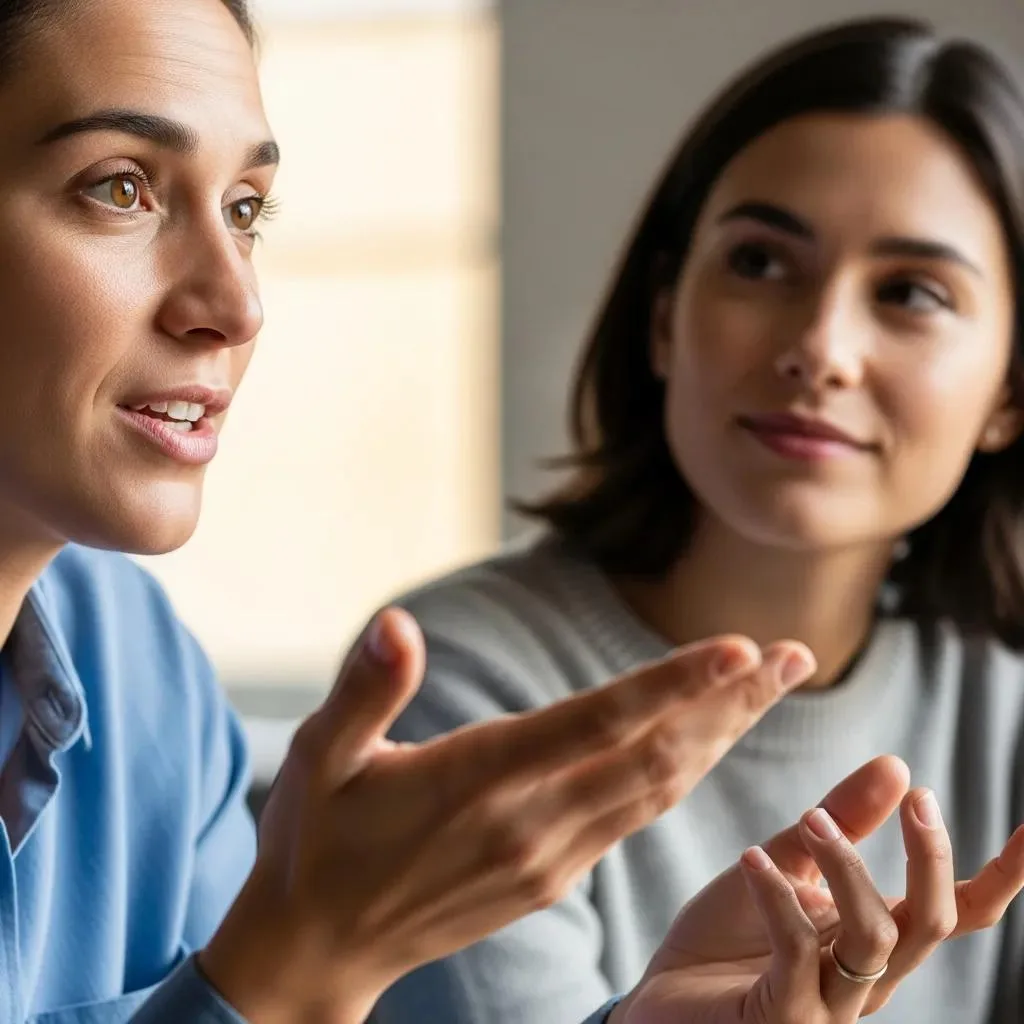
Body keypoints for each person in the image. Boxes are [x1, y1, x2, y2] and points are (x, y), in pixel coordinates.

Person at [0, 1, 850, 1022]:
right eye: (120, 188)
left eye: (244, 208)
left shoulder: (141, 669)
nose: (236, 305)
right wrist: (294, 964)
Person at [367, 16, 1024, 1024]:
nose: (821, 348)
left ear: (1008, 392)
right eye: (760, 263)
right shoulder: (466, 684)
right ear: (664, 315)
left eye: (911, 292)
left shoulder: (1002, 697)